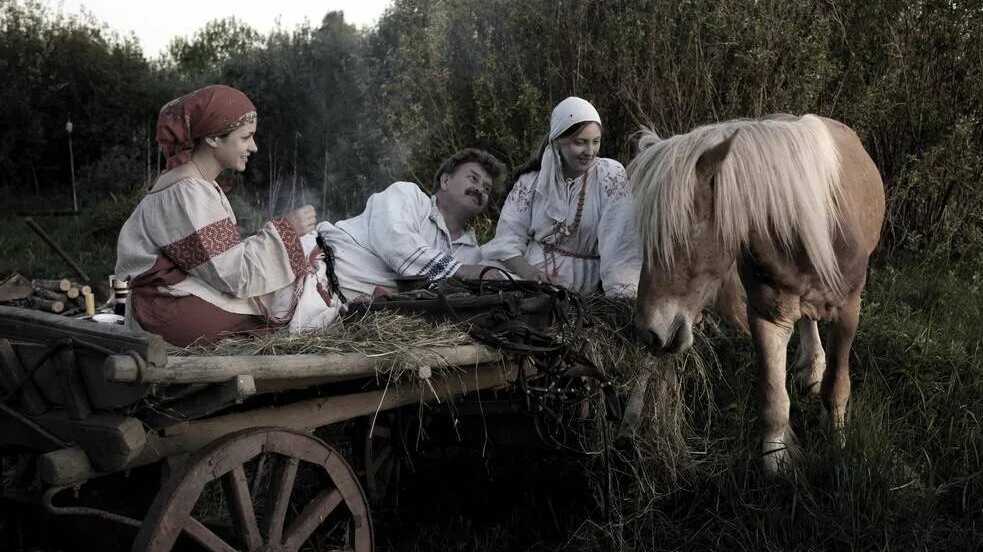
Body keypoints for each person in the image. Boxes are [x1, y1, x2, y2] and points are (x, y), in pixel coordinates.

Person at [115, 84, 339, 347]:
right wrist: (286, 231)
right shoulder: (187, 191)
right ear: (213, 138)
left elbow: (217, 261)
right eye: (245, 137)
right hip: (168, 309)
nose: (253, 147)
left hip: (168, 302)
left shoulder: (195, 184)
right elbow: (234, 276)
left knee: (289, 303)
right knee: (286, 320)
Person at [481, 97, 640, 296]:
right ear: (558, 141)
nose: (589, 151)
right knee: (482, 276)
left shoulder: (609, 175)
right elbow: (508, 238)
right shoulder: (531, 181)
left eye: (596, 142)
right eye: (580, 142)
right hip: (529, 278)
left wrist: (621, 297)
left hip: (581, 286)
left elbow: (619, 243)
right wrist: (530, 274)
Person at [316, 148, 507, 301]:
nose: (480, 189)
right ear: (446, 181)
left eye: (487, 189)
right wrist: (458, 270)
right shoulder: (408, 195)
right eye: (473, 178)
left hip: (349, 312)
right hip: (319, 270)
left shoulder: (473, 254)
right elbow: (395, 241)